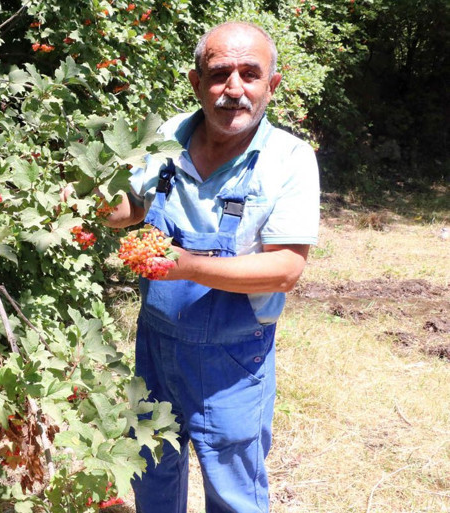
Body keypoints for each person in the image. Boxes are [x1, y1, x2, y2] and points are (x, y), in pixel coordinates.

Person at [102, 21, 320, 513]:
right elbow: (131, 208)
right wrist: (92, 204)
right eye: (220, 73)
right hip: (154, 345)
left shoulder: (289, 160)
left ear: (272, 84)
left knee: (234, 492)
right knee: (151, 471)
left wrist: (186, 266)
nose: (234, 89)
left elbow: (285, 268)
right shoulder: (163, 138)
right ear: (196, 82)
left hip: (234, 361)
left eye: (250, 73)